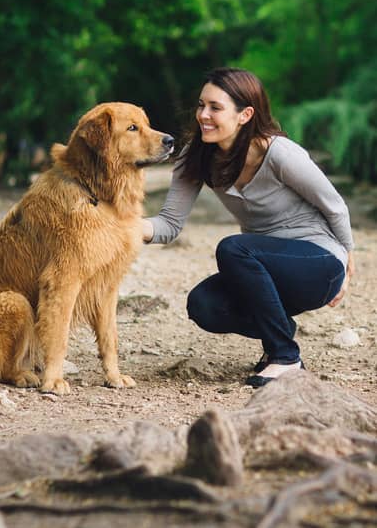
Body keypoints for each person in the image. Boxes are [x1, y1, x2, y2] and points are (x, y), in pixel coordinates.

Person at [142, 67, 354, 387]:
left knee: (234, 247)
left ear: (245, 115)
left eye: (215, 107)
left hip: (318, 263)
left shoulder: (279, 153)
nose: (203, 115)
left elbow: (334, 205)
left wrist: (347, 262)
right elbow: (169, 223)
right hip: (265, 267)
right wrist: (120, 227)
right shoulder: (196, 157)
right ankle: (279, 332)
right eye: (201, 105)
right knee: (204, 304)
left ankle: (285, 357)